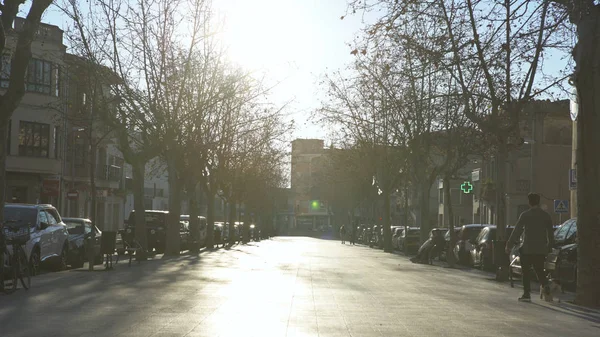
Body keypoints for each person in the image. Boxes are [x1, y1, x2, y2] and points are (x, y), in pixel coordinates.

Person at [506, 193, 555, 302]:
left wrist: (509, 244)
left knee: (526, 272)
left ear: (529, 202)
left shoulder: (525, 215)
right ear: (538, 202)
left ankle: (527, 294)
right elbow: (550, 233)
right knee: (539, 270)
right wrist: (549, 246)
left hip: (527, 248)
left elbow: (517, 230)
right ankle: (545, 284)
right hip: (540, 249)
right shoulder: (546, 216)